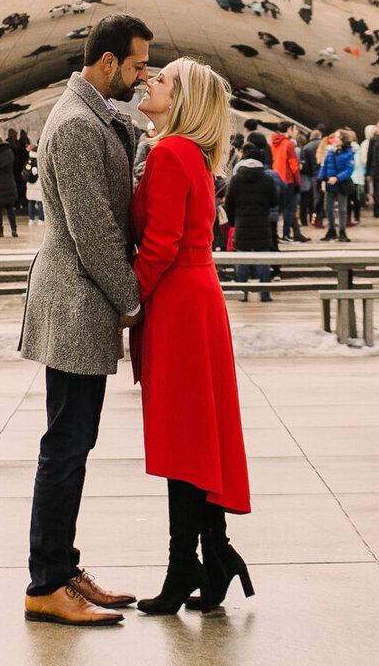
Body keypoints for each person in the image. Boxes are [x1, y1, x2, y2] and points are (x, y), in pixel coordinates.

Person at [21, 12, 153, 627]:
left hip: (81, 300)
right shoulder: (76, 126)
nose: (141, 74)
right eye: (135, 64)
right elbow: (93, 229)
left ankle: (63, 567)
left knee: (74, 442)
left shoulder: (93, 117)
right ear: (107, 63)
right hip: (75, 302)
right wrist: (131, 298)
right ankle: (47, 583)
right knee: (66, 446)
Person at [130, 57, 252, 616]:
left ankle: (189, 566)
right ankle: (213, 554)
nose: (149, 81)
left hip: (178, 300)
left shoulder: (171, 153)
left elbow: (159, 245)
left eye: (163, 79)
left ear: (181, 101)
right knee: (198, 436)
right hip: (195, 297)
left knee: (183, 441)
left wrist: (125, 304)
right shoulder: (190, 155)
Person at [224, 139, 280, 302]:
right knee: (263, 259)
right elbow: (274, 201)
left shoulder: (236, 179)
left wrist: (233, 221)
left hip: (241, 224)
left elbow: (229, 202)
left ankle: (242, 292)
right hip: (262, 225)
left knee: (241, 259)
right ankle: (265, 293)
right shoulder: (267, 179)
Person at [269, 124, 305, 241]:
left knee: (277, 208)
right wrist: (298, 181)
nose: (295, 132)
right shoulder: (288, 144)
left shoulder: (272, 143)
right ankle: (286, 234)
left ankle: (275, 234)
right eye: (294, 129)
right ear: (289, 129)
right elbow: (294, 165)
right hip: (288, 179)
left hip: (275, 177)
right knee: (289, 208)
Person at [318, 130, 355, 241]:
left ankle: (342, 231)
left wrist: (337, 178)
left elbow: (349, 169)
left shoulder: (348, 153)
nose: (335, 139)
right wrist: (320, 179)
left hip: (341, 184)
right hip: (330, 183)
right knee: (328, 208)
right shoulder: (330, 151)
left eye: (338, 137)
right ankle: (331, 229)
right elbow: (324, 166)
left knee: (342, 208)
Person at [0, 130, 21, 238]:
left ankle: (0, 231)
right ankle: (13, 229)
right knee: (10, 208)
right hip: (9, 181)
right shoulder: (9, 151)